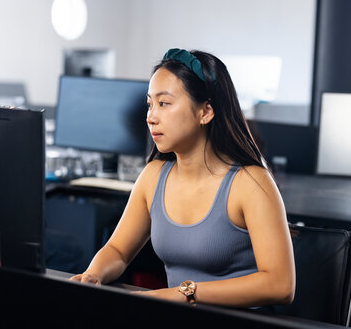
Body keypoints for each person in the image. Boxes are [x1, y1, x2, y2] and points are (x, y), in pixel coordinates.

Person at [70, 48, 295, 307]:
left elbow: (281, 285)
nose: (151, 117)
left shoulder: (251, 183)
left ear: (206, 112)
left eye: (164, 103)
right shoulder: (153, 176)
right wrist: (93, 274)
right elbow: (118, 251)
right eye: (150, 104)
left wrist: (182, 293)